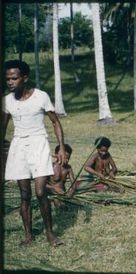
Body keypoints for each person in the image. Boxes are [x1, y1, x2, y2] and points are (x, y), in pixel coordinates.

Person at [2, 60, 67, 247]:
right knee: (24, 194)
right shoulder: (7, 101)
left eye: (14, 78)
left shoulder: (41, 96)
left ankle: (50, 234)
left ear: (25, 78)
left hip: (39, 144)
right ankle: (28, 235)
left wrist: (61, 147)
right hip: (19, 146)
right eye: (7, 79)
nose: (10, 82)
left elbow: (55, 122)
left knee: (40, 192)